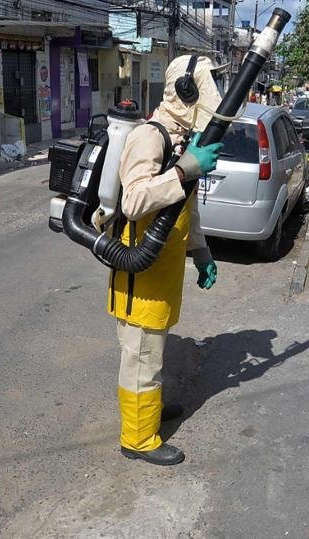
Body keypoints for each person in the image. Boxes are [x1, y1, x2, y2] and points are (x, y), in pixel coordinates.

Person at [107, 54, 225, 466]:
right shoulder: (149, 136)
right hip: (140, 275)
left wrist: (202, 251)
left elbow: (183, 208)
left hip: (162, 270)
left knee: (151, 355)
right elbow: (135, 200)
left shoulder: (179, 139)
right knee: (141, 357)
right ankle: (137, 439)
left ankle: (148, 413)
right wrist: (183, 171)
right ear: (187, 92)